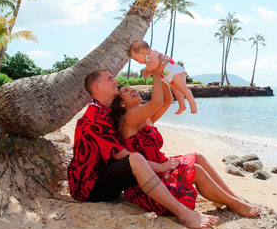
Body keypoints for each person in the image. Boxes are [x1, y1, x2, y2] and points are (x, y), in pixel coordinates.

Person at [68, 68, 218, 229]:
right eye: (110, 78)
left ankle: (233, 201)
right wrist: (160, 167)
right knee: (136, 158)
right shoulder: (94, 118)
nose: (116, 81)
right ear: (97, 87)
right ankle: (185, 215)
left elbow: (163, 102)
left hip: (108, 177)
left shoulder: (107, 111)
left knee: (193, 159)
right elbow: (121, 155)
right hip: (89, 188)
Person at [112, 84, 261, 218]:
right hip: (149, 180)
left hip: (162, 166)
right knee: (195, 170)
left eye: (130, 88)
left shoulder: (145, 117)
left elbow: (167, 101)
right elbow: (157, 101)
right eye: (125, 91)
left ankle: (234, 198)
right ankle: (234, 204)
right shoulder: (129, 118)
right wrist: (156, 71)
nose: (132, 90)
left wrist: (164, 77)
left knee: (199, 157)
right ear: (121, 104)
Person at [129, 39, 197, 114]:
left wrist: (147, 69)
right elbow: (156, 69)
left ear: (142, 52)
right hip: (171, 78)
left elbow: (155, 64)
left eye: (137, 60)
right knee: (177, 92)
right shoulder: (149, 59)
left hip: (176, 73)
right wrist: (149, 73)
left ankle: (193, 104)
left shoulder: (152, 54)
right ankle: (182, 105)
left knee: (183, 89)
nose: (139, 62)